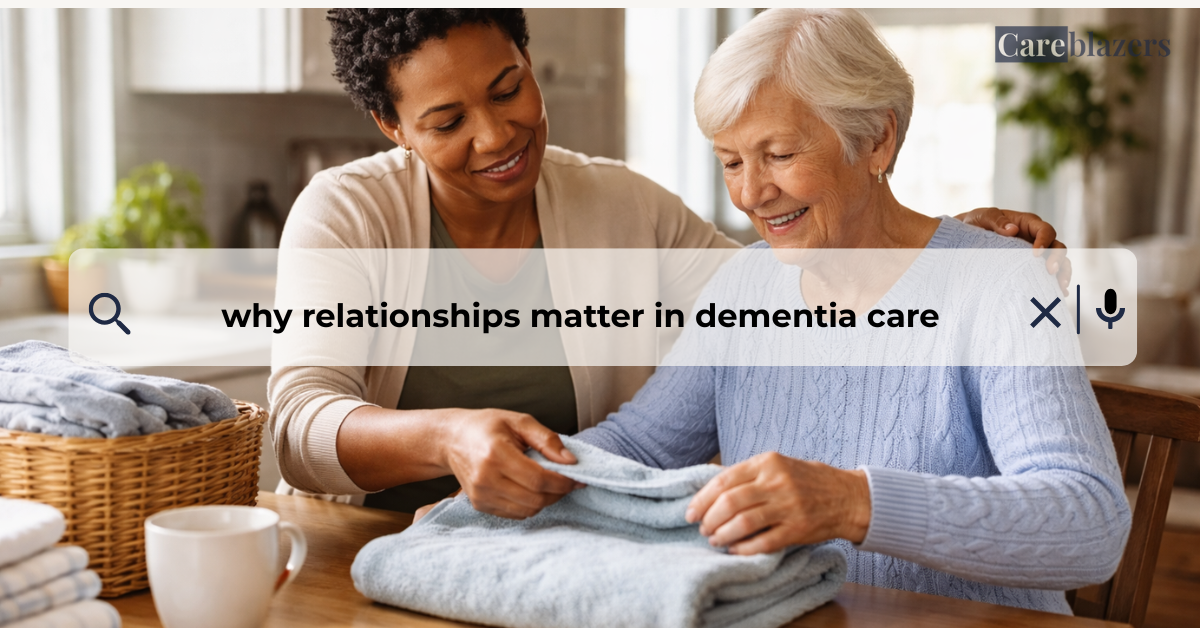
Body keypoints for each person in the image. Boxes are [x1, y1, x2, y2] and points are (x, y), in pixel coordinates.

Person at [270, 8, 1067, 516]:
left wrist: (932, 242)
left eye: (508, 88)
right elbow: (297, 427)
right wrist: (446, 438)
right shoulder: (349, 213)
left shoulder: (617, 204)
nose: (495, 134)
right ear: (392, 125)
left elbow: (786, 283)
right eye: (446, 120)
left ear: (529, 60)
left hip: (564, 536)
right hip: (366, 543)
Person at [565, 8, 1130, 614]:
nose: (751, 193)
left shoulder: (1001, 282)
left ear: (876, 139)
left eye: (778, 154)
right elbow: (640, 447)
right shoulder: (743, 288)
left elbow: (1090, 522)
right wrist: (493, 468)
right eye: (730, 161)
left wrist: (851, 502)